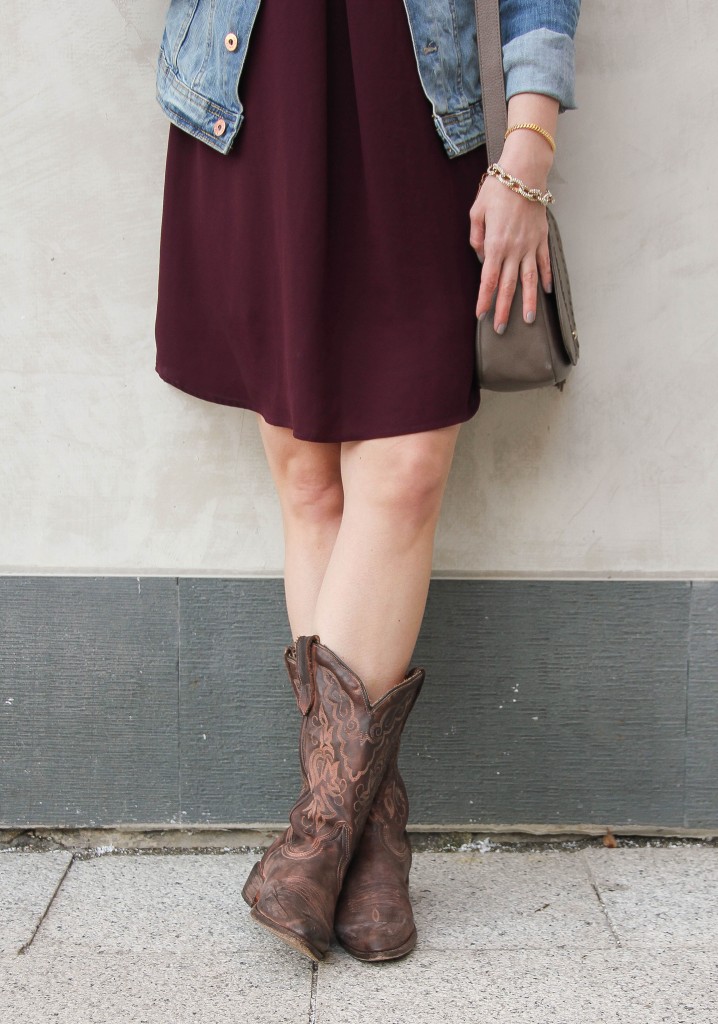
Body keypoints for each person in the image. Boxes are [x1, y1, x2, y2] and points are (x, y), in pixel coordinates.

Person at [154, 0, 581, 962]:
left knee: (409, 468)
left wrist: (530, 144)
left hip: (410, 106)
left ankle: (319, 837)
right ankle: (365, 840)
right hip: (254, 88)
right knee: (308, 483)